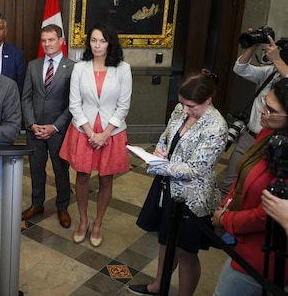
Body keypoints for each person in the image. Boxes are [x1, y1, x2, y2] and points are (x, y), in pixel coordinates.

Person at [128, 70, 228, 296]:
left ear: (208, 101)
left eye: (191, 106)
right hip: (168, 187)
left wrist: (157, 164)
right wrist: (159, 150)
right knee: (165, 240)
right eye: (182, 103)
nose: (184, 110)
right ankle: (158, 286)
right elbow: (167, 135)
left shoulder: (216, 127)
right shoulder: (180, 109)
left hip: (192, 198)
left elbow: (196, 169)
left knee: (185, 252)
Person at [212, 79, 288, 295]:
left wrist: (226, 220)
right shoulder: (268, 132)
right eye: (265, 103)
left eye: (271, 109)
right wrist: (225, 208)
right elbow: (244, 174)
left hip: (264, 251)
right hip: (243, 238)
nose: (262, 111)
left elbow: (268, 213)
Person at [59, 22, 132, 247]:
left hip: (112, 132)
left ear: (110, 42)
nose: (97, 45)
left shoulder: (123, 68)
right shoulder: (80, 68)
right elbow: (74, 104)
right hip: (84, 131)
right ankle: (83, 221)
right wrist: (90, 132)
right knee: (81, 176)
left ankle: (98, 223)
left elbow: (123, 105)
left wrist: (105, 134)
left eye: (102, 40)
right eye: (93, 40)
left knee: (106, 178)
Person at [220, 33, 288, 198]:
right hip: (250, 136)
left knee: (256, 189)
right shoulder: (271, 72)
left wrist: (277, 59)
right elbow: (240, 68)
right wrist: (254, 45)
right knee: (230, 183)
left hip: (274, 141)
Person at [21, 24, 75, 228]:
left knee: (61, 170)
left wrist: (55, 126)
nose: (47, 44)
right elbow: (25, 98)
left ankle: (62, 207)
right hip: (35, 131)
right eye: (44, 40)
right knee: (36, 169)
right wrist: (32, 124)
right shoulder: (33, 65)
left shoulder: (73, 67)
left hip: (59, 131)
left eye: (51, 40)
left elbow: (74, 103)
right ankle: (37, 204)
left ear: (61, 41)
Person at [0, 12, 26, 95]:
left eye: (0, 28)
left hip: (8, 104)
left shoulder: (16, 54)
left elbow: (20, 85)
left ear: (5, 31)